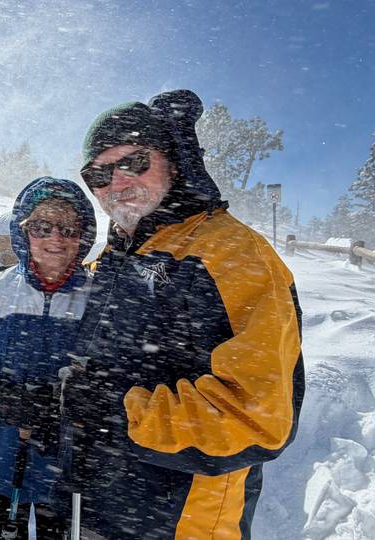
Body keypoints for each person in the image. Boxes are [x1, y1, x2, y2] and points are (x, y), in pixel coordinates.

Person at [57, 90, 305, 539]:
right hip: (102, 507)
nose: (116, 182)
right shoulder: (110, 260)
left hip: (182, 520)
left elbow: (259, 417)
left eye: (133, 162)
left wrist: (114, 412)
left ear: (172, 160)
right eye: (98, 173)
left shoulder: (230, 253)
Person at [0, 176, 96, 539]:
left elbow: (116, 370)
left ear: (82, 237)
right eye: (42, 226)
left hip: (64, 463)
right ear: (24, 232)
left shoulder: (99, 300)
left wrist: (79, 399)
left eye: (68, 228)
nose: (55, 238)